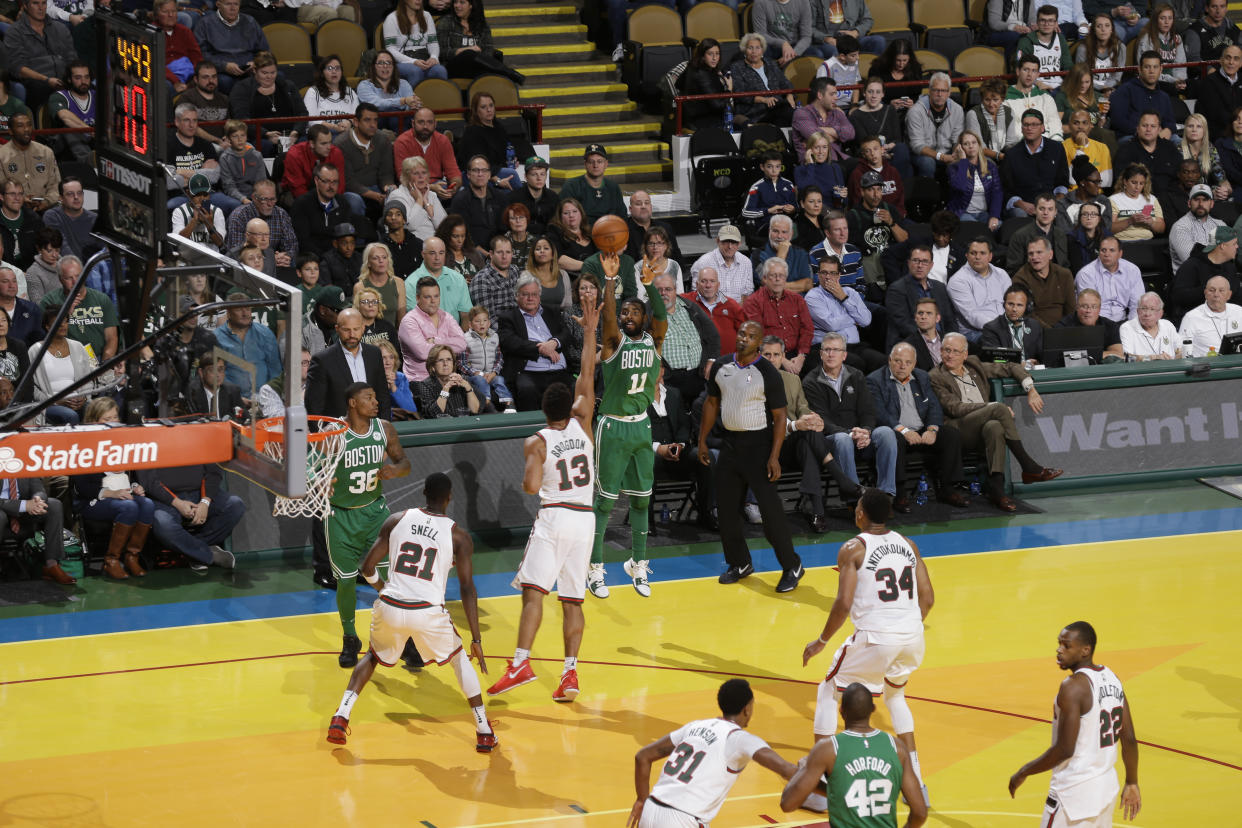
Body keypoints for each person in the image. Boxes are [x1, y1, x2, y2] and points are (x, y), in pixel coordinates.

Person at [325, 472, 497, 753]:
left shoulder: (396, 520)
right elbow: (467, 589)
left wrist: (383, 591)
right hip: (427, 612)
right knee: (458, 659)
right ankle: (484, 730)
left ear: (424, 493)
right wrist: (476, 639)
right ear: (449, 497)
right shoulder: (459, 537)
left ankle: (341, 715)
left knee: (372, 656)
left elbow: (367, 568)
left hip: (391, 605)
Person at [484, 292, 599, 698]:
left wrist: (529, 476)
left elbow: (532, 487)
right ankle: (570, 674)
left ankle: (520, 664)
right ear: (572, 407)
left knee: (534, 593)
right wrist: (589, 331)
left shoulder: (537, 440)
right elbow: (586, 371)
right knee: (572, 601)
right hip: (585, 519)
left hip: (554, 516)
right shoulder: (583, 423)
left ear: (542, 410)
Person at [798, 487, 932, 798]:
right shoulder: (908, 544)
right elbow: (928, 599)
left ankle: (822, 781)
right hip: (913, 636)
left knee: (829, 690)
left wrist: (821, 641)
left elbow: (844, 603)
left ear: (860, 514)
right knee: (895, 697)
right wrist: (904, 627)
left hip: (876, 636)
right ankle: (916, 783)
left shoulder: (853, 549)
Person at [698, 320, 804, 592]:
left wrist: (775, 456)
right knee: (728, 512)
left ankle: (792, 565)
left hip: (759, 446)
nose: (744, 338)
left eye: (751, 335)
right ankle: (740, 562)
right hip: (730, 443)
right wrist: (701, 441)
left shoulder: (767, 371)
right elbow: (711, 404)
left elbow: (780, 417)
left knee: (770, 514)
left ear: (759, 343)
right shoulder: (721, 366)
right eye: (742, 333)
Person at [583, 252, 666, 599]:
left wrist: (649, 284)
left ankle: (638, 563)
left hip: (641, 426)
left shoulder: (654, 341)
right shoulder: (614, 344)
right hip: (613, 426)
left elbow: (662, 315)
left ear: (644, 318)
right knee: (605, 502)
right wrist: (611, 282)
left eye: (634, 312)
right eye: (624, 312)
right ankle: (595, 567)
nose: (627, 316)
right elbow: (609, 321)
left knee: (642, 502)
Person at [631, 678, 815, 828]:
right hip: (683, 819)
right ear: (747, 709)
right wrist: (829, 787)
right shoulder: (741, 739)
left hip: (651, 809)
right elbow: (785, 769)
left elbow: (643, 756)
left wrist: (641, 800)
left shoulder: (694, 726)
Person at [1008, 621, 1141, 827]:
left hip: (1073, 793)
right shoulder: (1113, 679)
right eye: (1059, 644)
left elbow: (1064, 749)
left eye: (1067, 646)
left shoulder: (1073, 687)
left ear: (1085, 650)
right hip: (1105, 790)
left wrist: (1024, 771)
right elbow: (1130, 739)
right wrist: (1132, 782)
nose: (1059, 650)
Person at [323, 381, 411, 668]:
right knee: (346, 582)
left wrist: (395, 470)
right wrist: (323, 479)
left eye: (375, 397)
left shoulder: (384, 429)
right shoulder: (333, 433)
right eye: (369, 398)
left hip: (375, 514)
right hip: (340, 516)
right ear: (352, 403)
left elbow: (404, 462)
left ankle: (401, 637)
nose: (376, 402)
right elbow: (312, 467)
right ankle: (350, 637)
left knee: (389, 580)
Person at [929, 332, 1062, 511]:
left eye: (955, 351)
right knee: (999, 409)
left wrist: (1030, 389)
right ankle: (1028, 466)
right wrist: (989, 407)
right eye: (946, 350)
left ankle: (997, 492)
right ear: (940, 351)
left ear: (965, 355)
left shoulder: (974, 365)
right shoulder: (936, 376)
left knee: (995, 427)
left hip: (982, 427)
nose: (949, 355)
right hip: (957, 428)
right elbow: (954, 408)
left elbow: (1010, 367)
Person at [781, 681, 929, 826]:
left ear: (841, 711)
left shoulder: (827, 749)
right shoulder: (897, 747)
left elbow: (787, 804)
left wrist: (799, 772)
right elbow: (920, 813)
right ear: (873, 709)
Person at [803, 331, 900, 507]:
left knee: (886, 433)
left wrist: (866, 431)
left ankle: (886, 496)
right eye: (827, 350)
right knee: (842, 439)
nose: (831, 354)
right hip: (832, 439)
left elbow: (868, 410)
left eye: (836, 350)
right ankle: (856, 499)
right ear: (821, 354)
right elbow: (821, 419)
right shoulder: (810, 381)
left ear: (844, 355)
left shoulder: (856, 376)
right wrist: (849, 433)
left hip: (859, 436)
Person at [868, 342, 970, 509]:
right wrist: (905, 431)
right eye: (898, 361)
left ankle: (947, 489)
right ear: (889, 360)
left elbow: (933, 406)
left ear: (914, 364)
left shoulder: (921, 376)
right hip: (897, 430)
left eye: (908, 362)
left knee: (951, 434)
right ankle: (900, 493)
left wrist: (932, 429)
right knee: (894, 439)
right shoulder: (875, 380)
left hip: (921, 429)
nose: (902, 366)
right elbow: (879, 413)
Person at [139, 459, 246, 573]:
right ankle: (208, 555)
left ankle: (194, 552)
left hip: (199, 493)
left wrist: (205, 502)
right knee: (162, 522)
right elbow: (148, 481)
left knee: (235, 505)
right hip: (164, 499)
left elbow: (214, 472)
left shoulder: (201, 441)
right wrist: (177, 503)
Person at [498, 273, 573, 410]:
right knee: (527, 389)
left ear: (539, 295)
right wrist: (540, 348)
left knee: (576, 386)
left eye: (534, 294)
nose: (530, 298)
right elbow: (510, 342)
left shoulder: (552, 311)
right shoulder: (508, 318)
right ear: (516, 296)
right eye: (525, 294)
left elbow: (566, 334)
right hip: (529, 372)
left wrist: (554, 342)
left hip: (559, 370)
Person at [806, 255, 883, 372]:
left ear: (839, 275)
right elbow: (831, 325)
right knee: (857, 363)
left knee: (882, 361)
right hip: (828, 349)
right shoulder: (812, 297)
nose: (828, 277)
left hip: (855, 346)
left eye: (832, 273)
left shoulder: (850, 293)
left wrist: (843, 298)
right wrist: (854, 318)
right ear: (818, 275)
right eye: (824, 272)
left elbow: (866, 321)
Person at [38, 255, 119, 363]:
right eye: (68, 278)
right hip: (66, 361)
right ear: (60, 279)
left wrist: (105, 366)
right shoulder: (49, 301)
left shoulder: (102, 299)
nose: (75, 282)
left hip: (100, 358)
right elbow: (47, 339)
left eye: (78, 276)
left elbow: (111, 338)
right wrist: (66, 313)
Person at [4, 0, 76, 113]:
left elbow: (72, 59)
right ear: (25, 6)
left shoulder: (60, 28)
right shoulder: (14, 32)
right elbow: (17, 68)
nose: (41, 7)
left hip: (64, 79)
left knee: (86, 85)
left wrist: (74, 78)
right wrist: (46, 80)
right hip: (36, 81)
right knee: (41, 89)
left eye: (43, 3)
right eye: (35, 3)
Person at [885, 244, 958, 348]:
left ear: (931, 265)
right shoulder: (897, 289)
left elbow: (950, 320)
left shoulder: (939, 287)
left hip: (941, 342)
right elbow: (904, 325)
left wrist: (951, 340)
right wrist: (931, 339)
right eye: (915, 260)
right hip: (911, 343)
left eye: (925, 262)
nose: (920, 265)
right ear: (909, 263)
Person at [457, 92, 532, 193]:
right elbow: (474, 166)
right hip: (477, 175)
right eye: (483, 107)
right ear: (476, 111)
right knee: (511, 175)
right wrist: (496, 179)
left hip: (495, 171)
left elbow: (506, 150)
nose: (489, 110)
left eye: (491, 105)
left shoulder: (498, 127)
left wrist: (511, 159)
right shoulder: (472, 132)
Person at [335, 103, 397, 221]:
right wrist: (373, 195)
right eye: (367, 120)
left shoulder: (383, 140)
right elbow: (347, 181)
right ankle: (360, 239)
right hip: (352, 192)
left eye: (375, 120)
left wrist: (388, 187)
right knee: (354, 201)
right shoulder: (341, 144)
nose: (373, 125)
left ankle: (390, 237)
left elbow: (386, 173)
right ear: (356, 122)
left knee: (396, 196)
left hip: (378, 188)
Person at [436, 0, 523, 84]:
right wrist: (463, 51)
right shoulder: (446, 22)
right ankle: (509, 72)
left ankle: (504, 76)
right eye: (455, 2)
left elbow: (488, 51)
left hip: (476, 68)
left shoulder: (482, 25)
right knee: (468, 53)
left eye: (462, 2)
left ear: (471, 5)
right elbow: (441, 52)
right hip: (453, 67)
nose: (457, 5)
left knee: (495, 59)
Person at [1002, 109, 1070, 218]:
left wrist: (1056, 201)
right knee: (1019, 214)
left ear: (1042, 128)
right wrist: (1021, 204)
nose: (1029, 128)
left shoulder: (1056, 148)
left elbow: (1062, 181)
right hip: (1025, 205)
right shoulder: (1011, 155)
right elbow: (1006, 190)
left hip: (1051, 202)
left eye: (1034, 124)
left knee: (1064, 210)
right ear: (1021, 128)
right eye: (1026, 125)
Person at [193, 0, 269, 94]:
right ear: (218, 5)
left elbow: (264, 51)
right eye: (228, 4)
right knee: (224, 81)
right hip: (221, 70)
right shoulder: (205, 24)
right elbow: (201, 54)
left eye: (236, 4)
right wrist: (224, 66)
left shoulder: (250, 22)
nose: (233, 8)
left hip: (249, 69)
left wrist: (255, 63)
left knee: (276, 76)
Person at [398, 276, 466, 382]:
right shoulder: (409, 321)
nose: (433, 301)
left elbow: (462, 344)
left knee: (476, 393)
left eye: (436, 296)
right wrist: (449, 345)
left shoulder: (447, 317)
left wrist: (435, 340)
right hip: (420, 381)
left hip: (448, 379)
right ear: (417, 298)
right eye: (427, 297)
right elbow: (423, 353)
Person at [290, 162, 364, 257]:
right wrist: (326, 259)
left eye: (335, 182)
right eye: (327, 181)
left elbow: (346, 237)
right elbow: (303, 241)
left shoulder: (343, 204)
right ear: (316, 181)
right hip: (312, 258)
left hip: (338, 257)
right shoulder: (302, 204)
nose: (331, 186)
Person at [392, 107, 461, 203]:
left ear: (435, 124)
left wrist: (454, 186)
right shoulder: (402, 142)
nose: (425, 126)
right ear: (413, 124)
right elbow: (403, 178)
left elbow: (453, 171)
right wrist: (430, 187)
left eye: (429, 122)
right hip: (412, 188)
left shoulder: (443, 140)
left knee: (462, 193)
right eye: (421, 122)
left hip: (440, 185)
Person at [850, 79, 914, 183]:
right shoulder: (856, 116)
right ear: (864, 93)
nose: (874, 96)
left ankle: (898, 188)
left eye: (878, 92)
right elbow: (864, 143)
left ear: (883, 94)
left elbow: (897, 139)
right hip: (870, 153)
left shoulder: (890, 110)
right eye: (870, 92)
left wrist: (887, 148)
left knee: (902, 149)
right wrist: (884, 153)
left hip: (891, 149)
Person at [950, 237, 1012, 342]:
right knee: (1000, 340)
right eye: (973, 253)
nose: (977, 257)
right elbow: (973, 316)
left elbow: (1011, 303)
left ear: (990, 256)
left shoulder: (1002, 274)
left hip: (1004, 327)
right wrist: (1001, 329)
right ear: (967, 256)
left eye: (982, 253)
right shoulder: (958, 281)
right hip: (975, 332)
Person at [729, 32, 796, 128]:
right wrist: (764, 100)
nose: (754, 52)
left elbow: (786, 83)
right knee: (789, 115)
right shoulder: (737, 67)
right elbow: (740, 93)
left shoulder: (771, 63)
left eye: (757, 48)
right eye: (750, 48)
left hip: (778, 106)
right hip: (756, 111)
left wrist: (790, 95)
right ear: (744, 50)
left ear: (762, 50)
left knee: (791, 114)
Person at [907, 73, 965, 179]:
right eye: (936, 90)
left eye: (944, 91)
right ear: (929, 91)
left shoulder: (957, 110)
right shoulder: (915, 111)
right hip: (922, 155)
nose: (939, 94)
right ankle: (928, 194)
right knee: (928, 162)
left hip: (947, 153)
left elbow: (957, 140)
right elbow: (917, 145)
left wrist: (957, 153)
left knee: (963, 160)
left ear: (949, 93)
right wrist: (941, 157)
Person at [1172, 225, 1240, 316]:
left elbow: (1236, 295)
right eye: (1234, 243)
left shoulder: (1230, 267)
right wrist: (1210, 289)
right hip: (1198, 320)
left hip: (1227, 318)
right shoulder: (1191, 266)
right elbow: (1179, 297)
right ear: (1223, 246)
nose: (1237, 246)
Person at [1109, 52, 1177, 141]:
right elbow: (1117, 121)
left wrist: (1168, 130)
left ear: (1161, 69)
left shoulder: (1164, 97)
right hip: (1131, 137)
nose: (1151, 71)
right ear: (1139, 69)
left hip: (1159, 138)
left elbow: (1171, 122)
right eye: (1147, 67)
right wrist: (1142, 132)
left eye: (1155, 67)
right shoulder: (1125, 90)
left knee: (1180, 143)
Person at [0, 113, 60, 212]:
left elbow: (55, 184)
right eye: (20, 126)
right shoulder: (2, 155)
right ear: (11, 131)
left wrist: (47, 202)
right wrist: (21, 200)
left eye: (29, 125)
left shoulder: (46, 152)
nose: (26, 129)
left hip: (47, 207)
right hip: (14, 208)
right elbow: (1, 188)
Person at [1114, 112, 1181, 200]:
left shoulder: (1170, 148)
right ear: (1137, 128)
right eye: (1144, 125)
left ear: (1159, 129)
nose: (1148, 129)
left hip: (1169, 198)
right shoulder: (1126, 149)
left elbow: (1180, 175)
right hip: (1138, 199)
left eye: (1153, 126)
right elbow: (1120, 180)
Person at [1074, 236, 1143, 322]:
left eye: (1112, 250)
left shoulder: (1132, 270)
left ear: (1120, 254)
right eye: (1103, 250)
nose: (1107, 254)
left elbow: (1137, 304)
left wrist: (1132, 326)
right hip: (1097, 322)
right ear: (1099, 253)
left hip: (1124, 321)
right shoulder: (1086, 274)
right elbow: (1088, 309)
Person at [383, 0, 448, 89]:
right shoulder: (392, 18)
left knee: (440, 70)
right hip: (402, 61)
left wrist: (434, 57)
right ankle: (412, 101)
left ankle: (438, 101)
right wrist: (413, 61)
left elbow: (433, 42)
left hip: (424, 59)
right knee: (415, 71)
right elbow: (390, 50)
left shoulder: (426, 16)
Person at [459, 306, 512, 411]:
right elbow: (461, 363)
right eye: (477, 321)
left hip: (490, 374)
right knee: (480, 380)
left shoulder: (494, 337)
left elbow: (499, 359)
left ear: (489, 323)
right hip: (474, 376)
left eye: (484, 320)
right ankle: (486, 401)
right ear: (470, 324)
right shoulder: (465, 339)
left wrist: (494, 373)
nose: (482, 324)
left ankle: (508, 403)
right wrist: (475, 372)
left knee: (500, 380)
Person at [1004, 55, 1064, 147]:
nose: (1029, 74)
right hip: (1020, 146)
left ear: (1038, 74)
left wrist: (1055, 143)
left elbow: (1054, 121)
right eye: (1026, 70)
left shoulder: (1045, 96)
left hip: (1047, 145)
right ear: (1018, 71)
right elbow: (1012, 128)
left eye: (1034, 71)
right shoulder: (1006, 97)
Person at [948, 131, 1003, 230]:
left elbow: (997, 192)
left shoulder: (990, 166)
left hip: (984, 214)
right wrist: (963, 161)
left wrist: (994, 216)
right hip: (962, 213)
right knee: (977, 230)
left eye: (974, 142)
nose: (971, 146)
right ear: (960, 148)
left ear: (979, 145)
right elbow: (960, 187)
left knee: (998, 227)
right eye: (966, 144)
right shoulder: (954, 168)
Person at [560, 144, 625, 227]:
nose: (595, 165)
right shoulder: (572, 186)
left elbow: (622, 217)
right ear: (585, 164)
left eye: (599, 161)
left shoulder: (613, 187)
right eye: (591, 162)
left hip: (609, 235)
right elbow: (564, 218)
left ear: (606, 164)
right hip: (581, 235)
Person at [792, 76, 855, 162]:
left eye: (836, 94)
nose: (836, 98)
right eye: (832, 94)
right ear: (820, 95)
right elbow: (816, 139)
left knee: (858, 166)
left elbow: (850, 134)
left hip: (839, 159)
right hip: (813, 163)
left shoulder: (837, 112)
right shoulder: (802, 113)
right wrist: (838, 135)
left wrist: (823, 130)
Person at [450, 155, 504, 254]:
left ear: (489, 174)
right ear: (468, 175)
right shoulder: (460, 201)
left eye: (484, 170)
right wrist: (486, 255)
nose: (480, 174)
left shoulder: (500, 197)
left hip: (498, 251)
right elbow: (462, 237)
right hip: (472, 251)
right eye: (475, 170)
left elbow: (504, 229)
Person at [981, 284, 1046, 363]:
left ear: (1027, 307)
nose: (1014, 309)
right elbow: (994, 359)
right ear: (1004, 305)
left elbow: (1043, 355)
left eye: (1019, 305)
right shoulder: (992, 328)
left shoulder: (1034, 326)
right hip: (1008, 373)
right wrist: (1019, 365)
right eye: (1010, 304)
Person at [1179, 275, 1242, 355]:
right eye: (1212, 290)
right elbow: (1182, 349)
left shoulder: (1239, 312)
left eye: (1221, 290)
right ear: (1205, 293)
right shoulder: (1191, 317)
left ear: (1229, 295)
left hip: (1236, 364)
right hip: (1207, 366)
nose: (1216, 294)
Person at [1016, 4, 1074, 90]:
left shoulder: (1060, 39)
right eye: (1043, 20)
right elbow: (1021, 71)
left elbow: (1068, 66)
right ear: (1037, 22)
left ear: (1056, 23)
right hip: (1035, 87)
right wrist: (1038, 83)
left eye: (1050, 21)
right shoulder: (1026, 41)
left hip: (1059, 87)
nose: (1046, 24)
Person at [690, 224, 753, 302]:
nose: (730, 246)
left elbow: (747, 294)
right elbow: (696, 296)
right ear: (718, 241)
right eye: (726, 242)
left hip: (738, 310)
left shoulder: (746, 262)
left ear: (739, 244)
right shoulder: (703, 263)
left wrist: (737, 312)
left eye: (734, 242)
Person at [414, 343, 481, 417]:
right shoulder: (425, 385)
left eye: (449, 359)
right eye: (440, 360)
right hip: (440, 427)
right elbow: (435, 414)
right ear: (433, 366)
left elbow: (475, 410)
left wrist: (468, 388)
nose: (445, 363)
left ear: (453, 363)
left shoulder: (463, 380)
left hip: (463, 425)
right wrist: (446, 389)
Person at [681, 38, 732, 131]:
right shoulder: (703, 74)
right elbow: (718, 105)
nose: (714, 58)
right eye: (710, 54)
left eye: (717, 54)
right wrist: (729, 89)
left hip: (694, 118)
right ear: (702, 55)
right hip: (704, 122)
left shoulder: (692, 66)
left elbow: (678, 84)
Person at [469, 234, 521, 324]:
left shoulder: (515, 270)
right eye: (500, 252)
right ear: (491, 254)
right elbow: (487, 321)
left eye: (508, 252)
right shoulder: (482, 280)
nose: (504, 256)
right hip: (500, 331)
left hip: (521, 323)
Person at [1184, 0, 1242, 81]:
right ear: (1207, 8)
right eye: (1214, 6)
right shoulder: (1195, 30)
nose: (1218, 11)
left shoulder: (1234, 29)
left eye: (1222, 6)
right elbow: (1193, 59)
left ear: (1226, 9)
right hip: (1206, 78)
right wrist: (1211, 71)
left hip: (1232, 75)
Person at [1196, 43, 1242, 141]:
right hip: (1219, 137)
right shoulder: (1209, 82)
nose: (1231, 62)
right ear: (1221, 60)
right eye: (1228, 58)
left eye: (1236, 59)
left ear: (1241, 63)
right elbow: (1215, 116)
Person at [1137, 3, 1187, 92]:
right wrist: (1172, 81)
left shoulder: (1177, 38)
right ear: (1156, 20)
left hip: (1173, 81)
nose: (1166, 22)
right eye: (1162, 18)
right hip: (1154, 81)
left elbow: (1181, 65)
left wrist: (1179, 80)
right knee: (1170, 89)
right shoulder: (1147, 39)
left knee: (1195, 86)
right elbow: (1148, 71)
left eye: (1170, 18)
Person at [1108, 164, 1165, 242]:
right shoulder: (1114, 200)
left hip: (1148, 241)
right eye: (1134, 182)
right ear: (1125, 181)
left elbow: (1161, 229)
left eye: (1141, 183)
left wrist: (1151, 223)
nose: (1137, 187)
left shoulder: (1151, 199)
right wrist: (1130, 221)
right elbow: (1109, 229)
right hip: (1123, 241)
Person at [356, 51, 419, 119]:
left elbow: (410, 103)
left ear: (393, 67)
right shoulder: (364, 85)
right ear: (374, 66)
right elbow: (376, 104)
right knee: (392, 111)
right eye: (380, 63)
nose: (385, 66)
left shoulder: (403, 83)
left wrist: (413, 105)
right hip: (376, 123)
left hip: (401, 122)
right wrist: (403, 101)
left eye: (389, 63)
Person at [171, 174, 226, 251]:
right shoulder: (180, 212)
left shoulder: (217, 212)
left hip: (211, 261)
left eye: (205, 194)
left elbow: (220, 243)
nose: (202, 199)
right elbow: (178, 242)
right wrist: (194, 220)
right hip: (188, 260)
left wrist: (209, 225)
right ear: (188, 193)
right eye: (197, 195)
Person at [506, 155, 558, 236]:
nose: (539, 178)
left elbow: (556, 226)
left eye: (542, 174)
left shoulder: (553, 197)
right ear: (525, 177)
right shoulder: (513, 198)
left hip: (547, 242)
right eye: (534, 174)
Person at [1063, 109, 1114, 191]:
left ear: (1091, 126)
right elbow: (1072, 180)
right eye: (1076, 123)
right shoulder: (1062, 147)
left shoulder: (1102, 148)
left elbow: (1107, 182)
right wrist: (1080, 149)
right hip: (1073, 196)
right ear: (1069, 126)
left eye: (1085, 123)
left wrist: (1083, 179)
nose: (1080, 127)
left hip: (1096, 197)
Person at [965, 78, 1011, 168]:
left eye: (995, 100)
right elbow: (978, 146)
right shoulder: (973, 114)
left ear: (1002, 99)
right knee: (989, 164)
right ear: (982, 99)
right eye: (987, 99)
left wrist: (1011, 156)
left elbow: (1011, 143)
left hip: (1003, 155)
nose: (991, 104)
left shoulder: (1009, 112)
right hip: (980, 155)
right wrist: (1000, 156)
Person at [185, 349, 245, 419]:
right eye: (212, 370)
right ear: (201, 373)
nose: (218, 375)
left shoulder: (233, 391)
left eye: (220, 369)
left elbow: (244, 419)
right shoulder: (192, 393)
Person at [546, 197, 595, 280]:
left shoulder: (591, 233)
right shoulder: (554, 232)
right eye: (566, 213)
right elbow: (558, 260)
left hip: (594, 281)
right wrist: (589, 266)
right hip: (568, 281)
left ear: (581, 213)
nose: (571, 215)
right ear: (560, 217)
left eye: (575, 211)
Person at [1121, 291, 1180, 358]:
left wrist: (1178, 355)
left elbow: (1179, 349)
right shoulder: (1127, 328)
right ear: (1137, 311)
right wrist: (1153, 358)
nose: (1147, 314)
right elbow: (1126, 357)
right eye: (1143, 308)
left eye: (1152, 309)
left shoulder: (1168, 325)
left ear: (1160, 313)